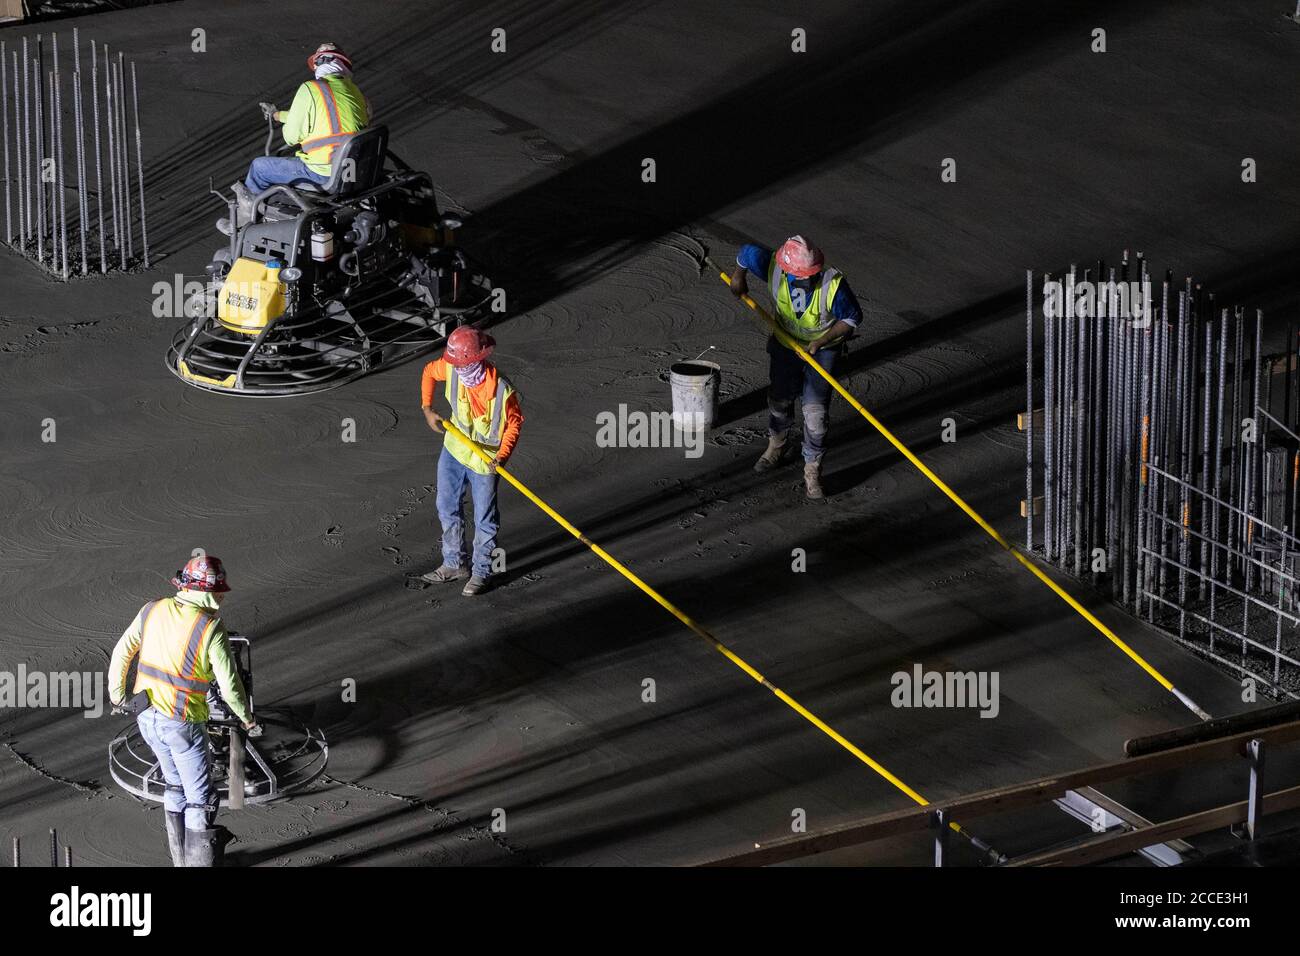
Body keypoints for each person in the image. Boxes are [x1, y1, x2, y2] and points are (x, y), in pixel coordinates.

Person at [108, 555, 260, 866]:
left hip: (146, 717)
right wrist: (246, 718)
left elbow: (123, 650)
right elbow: (229, 684)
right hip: (182, 724)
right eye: (218, 591)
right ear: (205, 592)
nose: (221, 596)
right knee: (202, 801)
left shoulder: (151, 610)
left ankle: (180, 861)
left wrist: (116, 696)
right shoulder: (210, 627)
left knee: (175, 785)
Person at [729, 235, 863, 499]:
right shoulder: (773, 267)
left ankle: (812, 469)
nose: (806, 279)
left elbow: (852, 318)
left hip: (821, 352)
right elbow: (745, 253)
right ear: (787, 270)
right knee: (779, 399)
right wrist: (738, 277)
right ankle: (776, 446)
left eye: (811, 274)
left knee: (815, 414)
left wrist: (820, 341)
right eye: (800, 275)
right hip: (785, 345)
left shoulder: (832, 286)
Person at [218, 43, 370, 235]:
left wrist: (295, 127)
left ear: (317, 65)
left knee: (259, 167)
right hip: (354, 171)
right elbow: (329, 115)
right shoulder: (356, 92)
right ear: (343, 65)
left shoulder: (311, 89)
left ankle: (244, 222)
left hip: (323, 173)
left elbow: (291, 137)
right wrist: (278, 115)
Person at [420, 327, 524, 596]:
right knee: (446, 505)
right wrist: (427, 409)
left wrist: (501, 457)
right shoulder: (451, 369)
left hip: (485, 462)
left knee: (485, 519)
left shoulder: (502, 391)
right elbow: (430, 372)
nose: (458, 369)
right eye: (456, 364)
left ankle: (481, 572)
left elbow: (514, 425)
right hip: (454, 450)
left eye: (462, 364)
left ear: (477, 359)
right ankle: (454, 564)